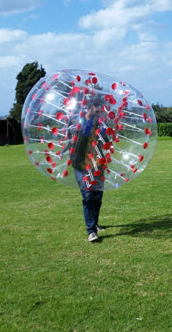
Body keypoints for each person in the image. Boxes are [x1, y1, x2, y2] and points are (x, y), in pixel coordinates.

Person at [70, 94, 108, 242]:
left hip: (97, 163)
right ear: (89, 108)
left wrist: (105, 132)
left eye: (100, 112)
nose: (99, 114)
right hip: (81, 165)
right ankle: (91, 231)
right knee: (87, 195)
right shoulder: (77, 121)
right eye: (97, 112)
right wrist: (86, 125)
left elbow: (106, 142)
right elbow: (75, 140)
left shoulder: (100, 123)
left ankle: (95, 223)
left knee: (97, 197)